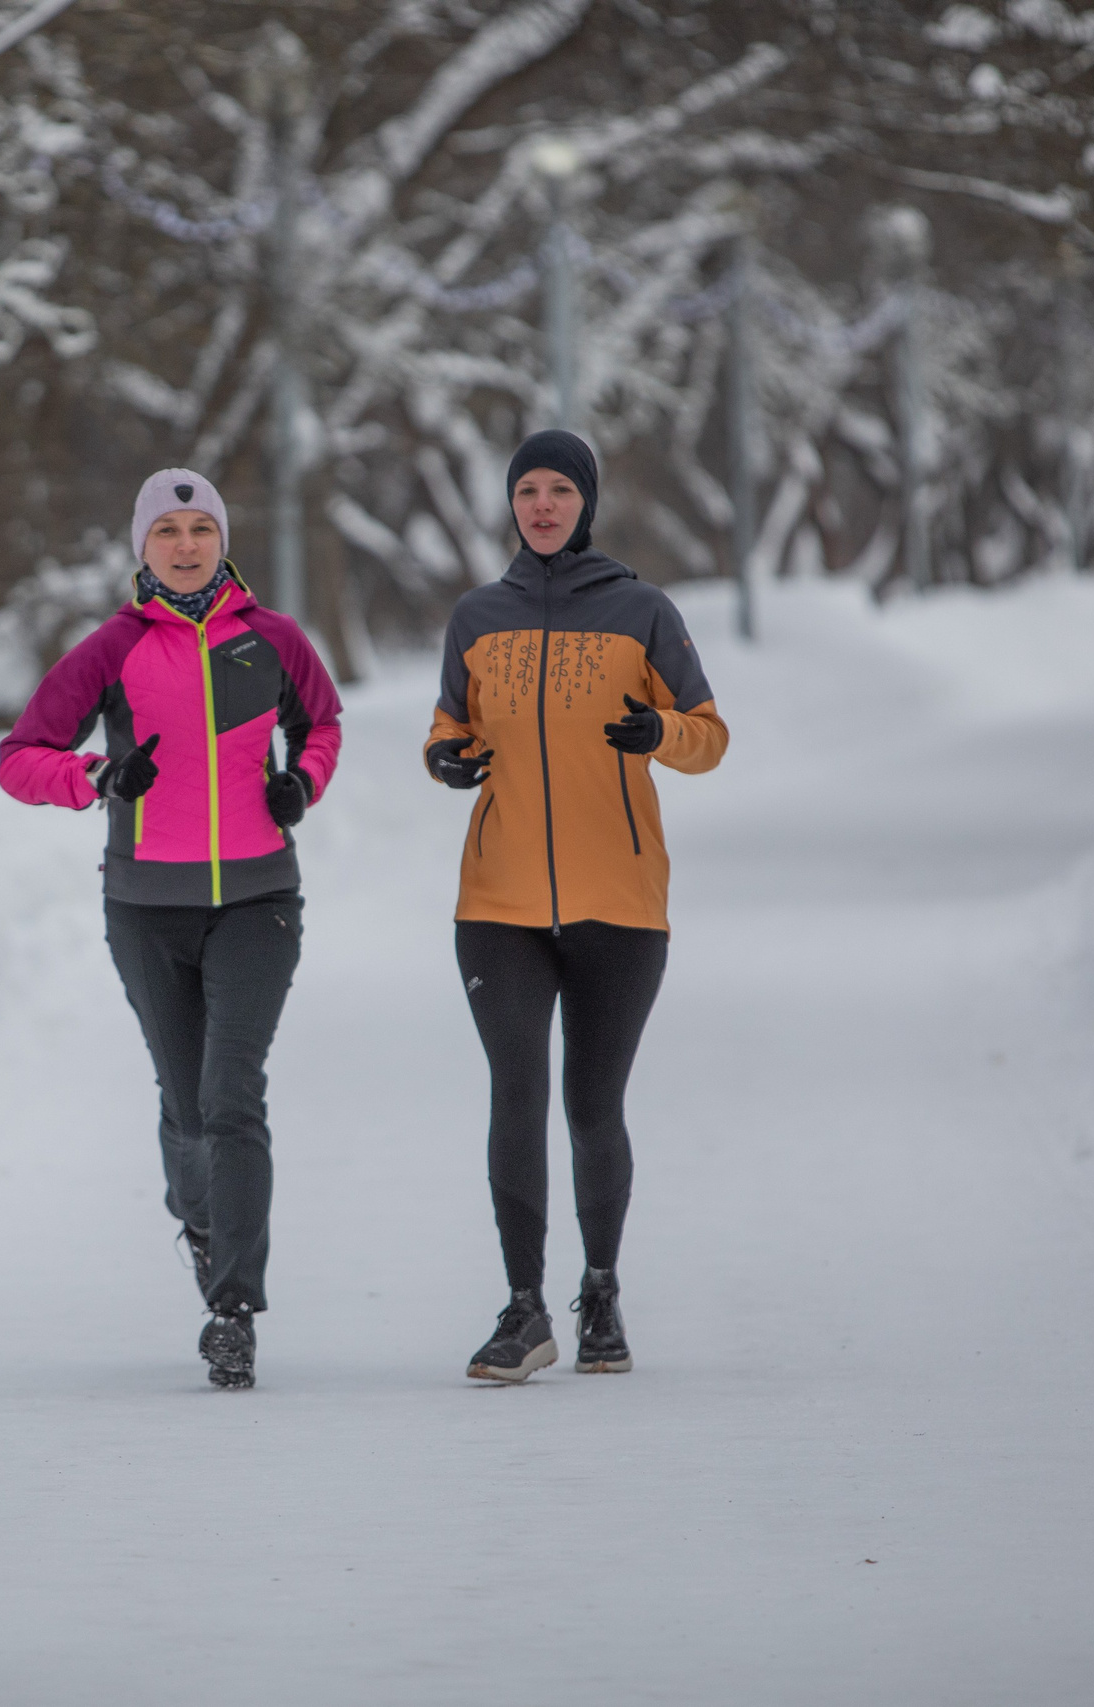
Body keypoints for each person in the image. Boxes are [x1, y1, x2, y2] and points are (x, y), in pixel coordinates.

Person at [0, 469, 342, 1389]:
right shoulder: (109, 650)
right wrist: (98, 780)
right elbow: (20, 758)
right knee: (187, 1108)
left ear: (222, 540)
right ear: (141, 546)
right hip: (146, 906)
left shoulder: (273, 641)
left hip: (259, 900)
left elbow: (324, 725)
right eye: (167, 531)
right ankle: (200, 1223)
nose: (186, 546)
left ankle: (233, 1308)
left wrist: (300, 783)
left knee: (232, 1097)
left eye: (201, 529)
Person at [423, 429, 727, 1383]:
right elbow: (450, 724)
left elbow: (709, 735)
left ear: (587, 502)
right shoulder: (477, 615)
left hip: (618, 903)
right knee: (514, 1093)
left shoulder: (642, 611)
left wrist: (658, 729)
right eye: (527, 491)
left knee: (591, 1102)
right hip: (499, 903)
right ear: (509, 504)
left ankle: (600, 1290)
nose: (542, 506)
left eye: (560, 490)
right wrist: (444, 758)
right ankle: (523, 1308)